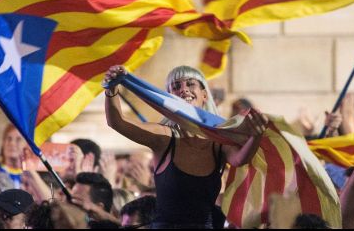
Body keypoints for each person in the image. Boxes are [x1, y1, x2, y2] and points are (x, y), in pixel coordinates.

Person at [102, 65, 267, 228]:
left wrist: (256, 135)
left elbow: (240, 159)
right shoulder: (164, 136)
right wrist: (111, 89)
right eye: (176, 86)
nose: (184, 90)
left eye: (190, 84)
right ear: (168, 98)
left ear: (204, 95)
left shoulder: (219, 141)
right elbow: (118, 122)